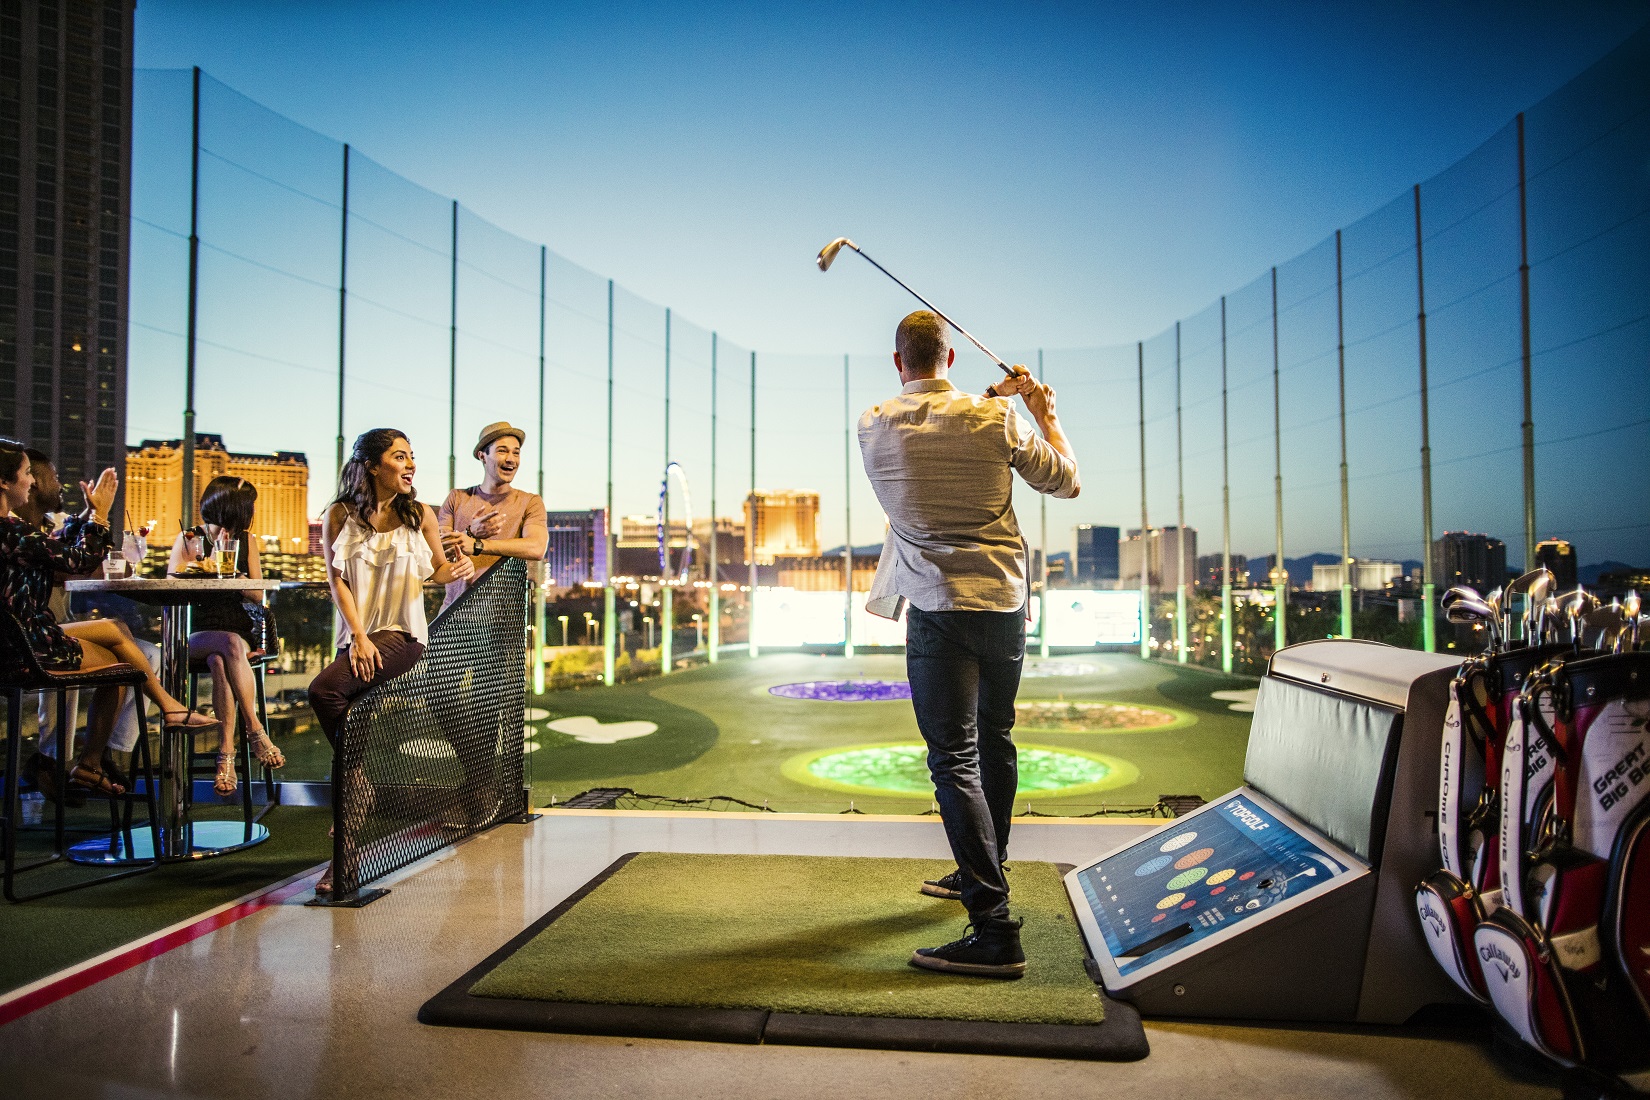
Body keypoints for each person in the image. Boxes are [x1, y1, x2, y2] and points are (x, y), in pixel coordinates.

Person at [859, 311, 1079, 979]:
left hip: (935, 608)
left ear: (898, 362)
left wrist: (994, 402)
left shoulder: (873, 422)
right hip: (1001, 607)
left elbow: (941, 425)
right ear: (951, 357)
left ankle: (994, 926)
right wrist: (1042, 413)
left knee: (953, 758)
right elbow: (1065, 479)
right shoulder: (998, 420)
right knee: (994, 737)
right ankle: (985, 868)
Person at [0, 441, 217, 796]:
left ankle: (117, 744)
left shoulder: (14, 531)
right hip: (26, 647)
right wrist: (99, 515)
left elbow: (59, 551)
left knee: (120, 638)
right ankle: (133, 732)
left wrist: (91, 514)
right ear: (5, 482)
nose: (31, 481)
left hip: (24, 639)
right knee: (122, 656)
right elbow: (79, 561)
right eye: (26, 474)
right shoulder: (10, 530)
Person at [310, 429, 474, 894]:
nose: (411, 464)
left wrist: (459, 567)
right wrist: (359, 637)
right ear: (372, 465)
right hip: (357, 641)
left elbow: (437, 570)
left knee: (323, 691)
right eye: (400, 456)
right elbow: (337, 581)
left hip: (403, 635)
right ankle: (344, 856)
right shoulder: (339, 514)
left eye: (411, 457)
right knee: (351, 731)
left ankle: (357, 786)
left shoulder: (420, 514)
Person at [166, 476, 286, 794]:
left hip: (237, 632)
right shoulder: (189, 537)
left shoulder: (247, 541)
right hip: (196, 633)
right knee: (226, 645)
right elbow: (171, 585)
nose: (250, 514)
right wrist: (199, 566)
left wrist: (232, 572)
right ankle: (255, 730)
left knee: (221, 659)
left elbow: (258, 596)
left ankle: (226, 754)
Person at [436, 421, 547, 613]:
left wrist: (478, 545)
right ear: (482, 456)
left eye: (516, 453)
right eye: (502, 451)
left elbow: (537, 547)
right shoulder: (457, 498)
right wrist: (470, 532)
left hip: (503, 620)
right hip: (454, 614)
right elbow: (438, 551)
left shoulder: (530, 502)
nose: (511, 459)